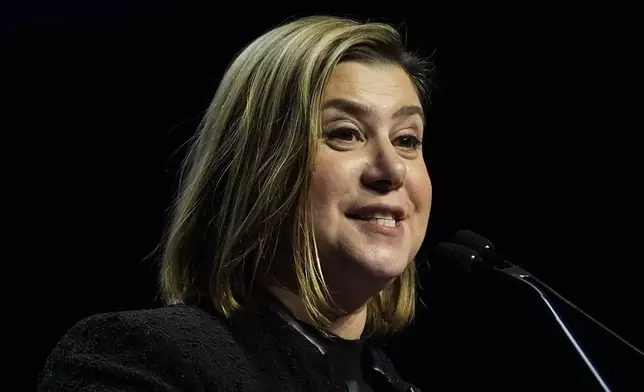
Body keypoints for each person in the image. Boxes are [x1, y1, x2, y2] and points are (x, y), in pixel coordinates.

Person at [38, 15, 432, 392]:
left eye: (406, 140)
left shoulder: (392, 381)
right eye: (346, 133)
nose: (391, 169)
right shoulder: (138, 359)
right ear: (258, 168)